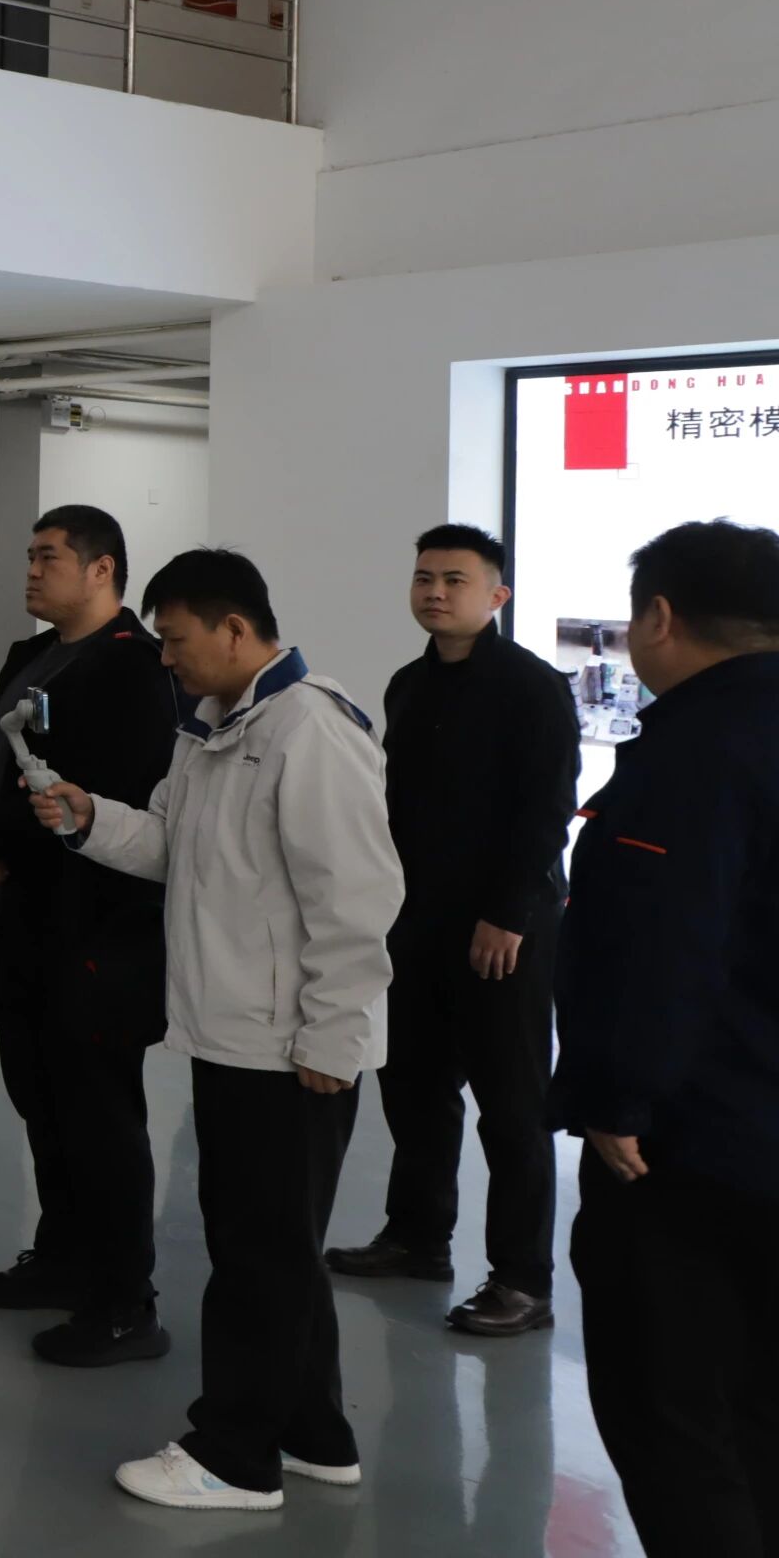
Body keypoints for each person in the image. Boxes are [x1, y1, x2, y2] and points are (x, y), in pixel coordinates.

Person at [33, 548, 402, 1514]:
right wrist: (89, 819)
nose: (167, 659)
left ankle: (236, 1457)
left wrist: (332, 1039)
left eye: (177, 640)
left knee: (256, 1257)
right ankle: (313, 1433)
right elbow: (172, 845)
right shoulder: (210, 729)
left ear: (236, 630)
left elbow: (356, 900)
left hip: (290, 1049)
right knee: (274, 1245)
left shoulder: (309, 729)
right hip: (233, 1033)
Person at [552, 520, 779, 1556]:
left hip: (693, 1145)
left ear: (660, 617)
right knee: (760, 1408)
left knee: (674, 1413)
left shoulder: (693, 752)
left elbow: (662, 942)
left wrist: (617, 1098)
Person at [327, 524, 579, 1335]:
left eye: (455, 580)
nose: (435, 592)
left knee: (511, 1108)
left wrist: (508, 914)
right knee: (415, 1088)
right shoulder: (409, 684)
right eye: (424, 578)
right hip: (417, 923)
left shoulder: (532, 687)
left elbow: (547, 810)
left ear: (496, 595)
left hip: (505, 929)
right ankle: (417, 1238)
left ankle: (523, 1282)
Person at [0, 505, 181, 1364]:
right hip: (19, 924)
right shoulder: (32, 655)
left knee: (99, 1116)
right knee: (41, 1100)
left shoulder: (132, 669)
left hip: (93, 934)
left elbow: (94, 791)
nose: (32, 571)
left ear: (102, 569)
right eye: (30, 555)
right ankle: (63, 1259)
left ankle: (125, 1302)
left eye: (48, 557)